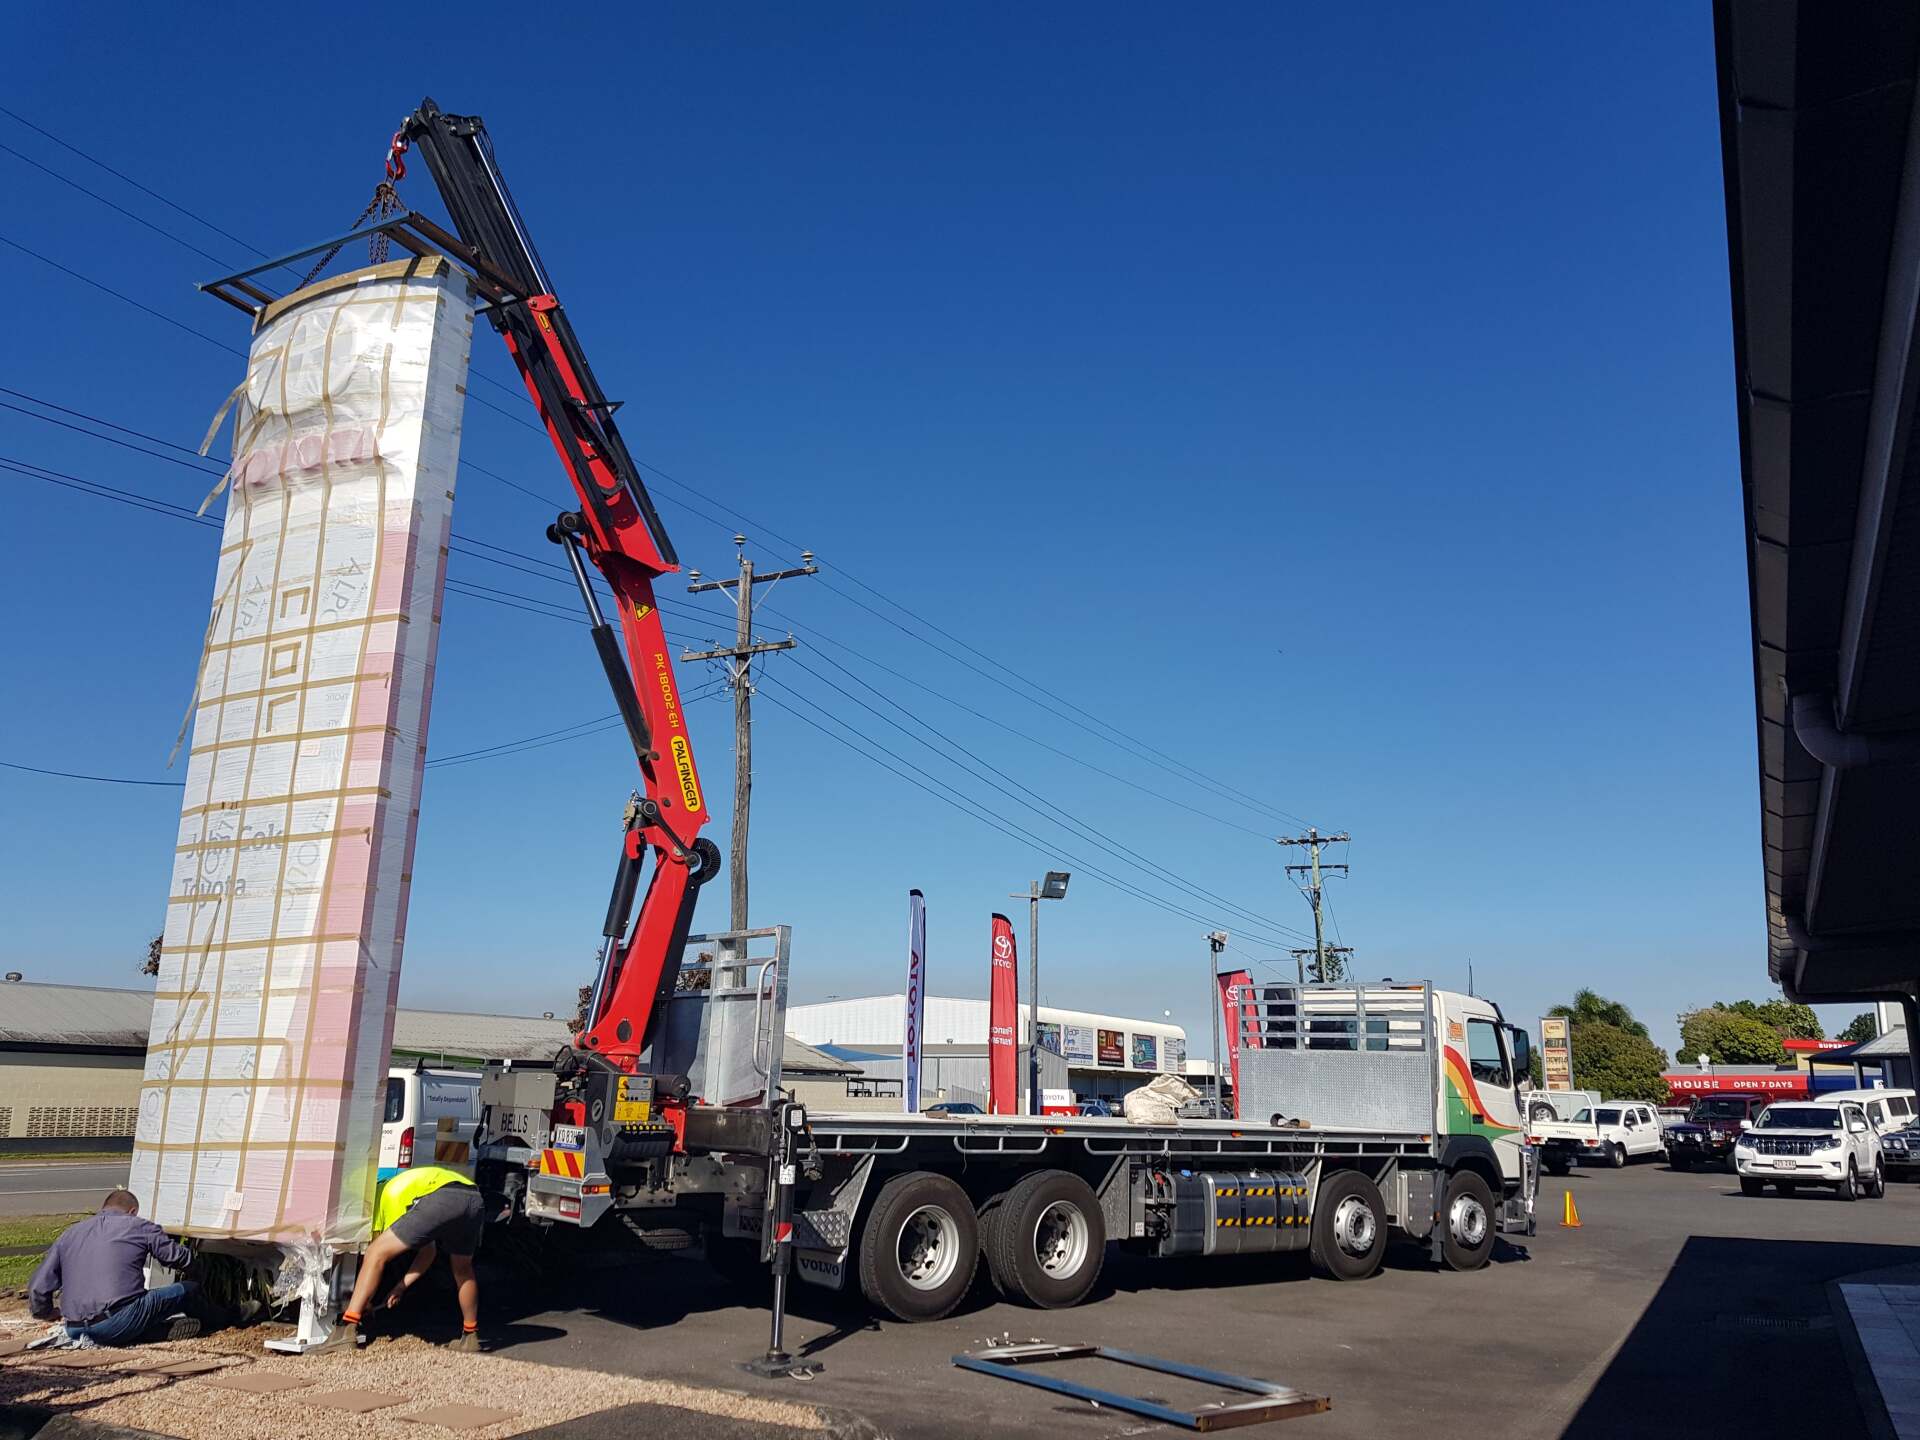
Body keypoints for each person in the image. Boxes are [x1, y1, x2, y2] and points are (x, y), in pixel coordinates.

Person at [28, 1190, 233, 1346]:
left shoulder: (71, 1233)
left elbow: (38, 1286)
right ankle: (230, 1320)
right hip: (118, 1320)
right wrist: (201, 1270)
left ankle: (159, 1332)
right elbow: (178, 1258)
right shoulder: (138, 1226)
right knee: (187, 1290)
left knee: (136, 1310)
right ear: (133, 1211)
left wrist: (46, 1313)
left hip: (74, 1328)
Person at [321, 1163, 483, 1353]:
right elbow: (428, 1252)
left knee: (374, 1252)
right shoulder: (401, 1186)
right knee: (462, 1269)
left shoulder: (387, 1197)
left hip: (441, 1197)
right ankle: (470, 1337)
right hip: (473, 1197)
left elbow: (376, 1256)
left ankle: (346, 1328)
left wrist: (364, 1300)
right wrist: (400, 1287)